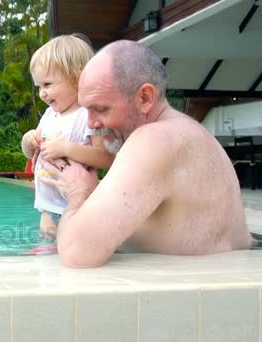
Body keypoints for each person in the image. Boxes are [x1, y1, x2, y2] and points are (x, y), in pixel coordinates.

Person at [37, 40, 253, 266]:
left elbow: (77, 253)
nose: (90, 124)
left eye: (100, 108)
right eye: (86, 109)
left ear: (145, 98)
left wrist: (77, 195)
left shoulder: (154, 139)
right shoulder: (198, 135)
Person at [21, 35, 115, 239]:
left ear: (77, 77)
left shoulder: (89, 115)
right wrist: (28, 141)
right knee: (47, 257)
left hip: (77, 206)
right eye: (39, 87)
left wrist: (66, 149)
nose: (42, 94)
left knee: (74, 252)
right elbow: (31, 154)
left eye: (47, 84)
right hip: (47, 207)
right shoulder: (49, 115)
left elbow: (106, 157)